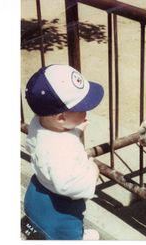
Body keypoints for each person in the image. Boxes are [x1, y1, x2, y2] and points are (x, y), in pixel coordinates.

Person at [23, 64, 104, 240]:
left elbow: (53, 139)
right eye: (82, 107)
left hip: (38, 191)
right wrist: (92, 172)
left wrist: (75, 129)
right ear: (61, 118)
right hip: (59, 212)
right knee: (65, 235)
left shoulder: (41, 123)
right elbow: (68, 185)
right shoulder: (61, 149)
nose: (86, 111)